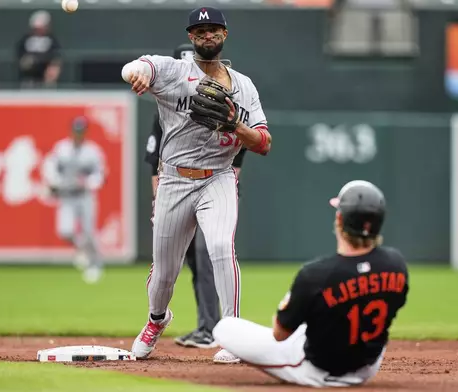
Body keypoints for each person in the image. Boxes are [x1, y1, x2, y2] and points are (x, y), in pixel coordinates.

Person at [122, 6, 272, 364]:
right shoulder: (176, 72)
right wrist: (138, 75)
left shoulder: (244, 86)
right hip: (175, 179)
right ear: (192, 37)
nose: (207, 35)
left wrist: (236, 126)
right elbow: (138, 67)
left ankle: (233, 333)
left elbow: (264, 143)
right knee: (164, 274)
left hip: (218, 178)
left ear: (224, 35)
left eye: (214, 29)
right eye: (200, 30)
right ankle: (157, 320)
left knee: (221, 247)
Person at [213, 180, 409, 387]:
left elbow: (280, 334)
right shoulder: (395, 264)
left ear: (340, 219)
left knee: (225, 327)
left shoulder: (315, 274)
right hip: (367, 365)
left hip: (318, 369)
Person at [144, 43, 248, 349]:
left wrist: (221, 189)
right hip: (175, 187)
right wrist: (158, 201)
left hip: (213, 186)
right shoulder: (167, 106)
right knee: (172, 265)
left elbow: (238, 155)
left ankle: (214, 327)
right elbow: (155, 161)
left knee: (210, 252)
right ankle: (191, 322)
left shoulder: (226, 101)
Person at [43, 116, 107, 284]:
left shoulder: (92, 151)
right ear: (71, 131)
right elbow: (50, 167)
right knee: (65, 231)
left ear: (85, 132)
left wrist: (88, 182)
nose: (78, 133)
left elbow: (100, 174)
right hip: (67, 196)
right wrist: (54, 182)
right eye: (76, 130)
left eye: (81, 130)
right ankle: (82, 251)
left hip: (85, 196)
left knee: (88, 232)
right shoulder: (61, 148)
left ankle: (95, 264)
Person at [16, 10, 62, 88]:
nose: (38, 31)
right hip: (29, 74)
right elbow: (19, 53)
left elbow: (56, 55)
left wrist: (53, 66)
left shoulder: (52, 40)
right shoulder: (25, 39)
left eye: (41, 28)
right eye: (36, 28)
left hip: (46, 73)